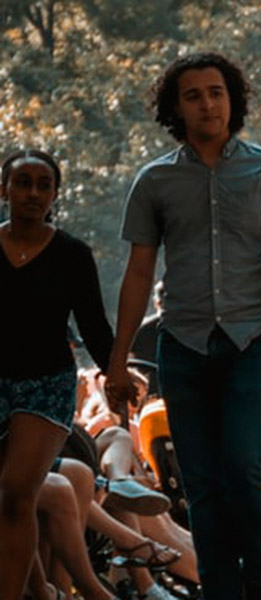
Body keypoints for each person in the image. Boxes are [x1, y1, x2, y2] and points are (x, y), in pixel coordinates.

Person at [105, 52, 261, 600]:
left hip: (253, 341)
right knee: (200, 481)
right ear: (177, 107)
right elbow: (137, 274)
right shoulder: (155, 181)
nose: (208, 103)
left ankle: (259, 581)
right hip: (183, 345)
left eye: (217, 92)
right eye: (194, 94)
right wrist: (117, 359)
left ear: (233, 99)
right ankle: (220, 589)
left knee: (247, 466)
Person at [1, 149, 116, 600]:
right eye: (22, 182)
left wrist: (117, 375)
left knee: (15, 492)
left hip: (45, 383)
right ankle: (42, 592)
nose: (33, 192)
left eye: (43, 185)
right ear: (4, 189)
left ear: (55, 195)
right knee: (7, 502)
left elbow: (93, 326)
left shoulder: (72, 254)